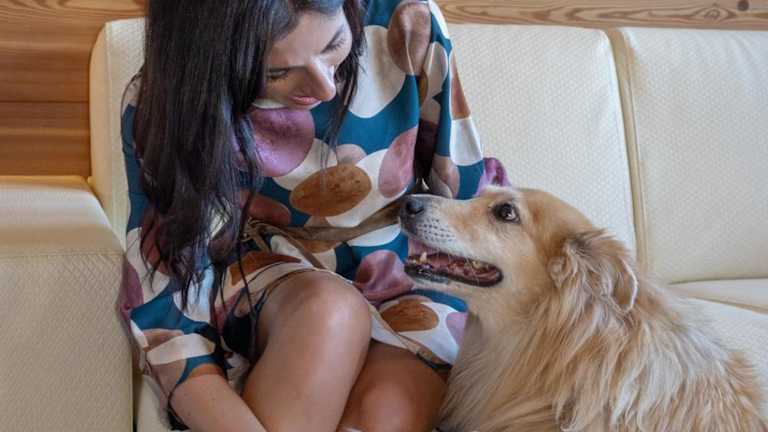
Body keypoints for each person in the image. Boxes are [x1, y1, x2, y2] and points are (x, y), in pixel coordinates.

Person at [118, 0, 509, 430]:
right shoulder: (167, 101)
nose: (325, 88)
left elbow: (464, 197)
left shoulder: (406, 19)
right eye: (277, 73)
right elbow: (169, 315)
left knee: (386, 410)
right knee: (330, 313)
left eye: (334, 44)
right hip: (265, 272)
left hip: (410, 269)